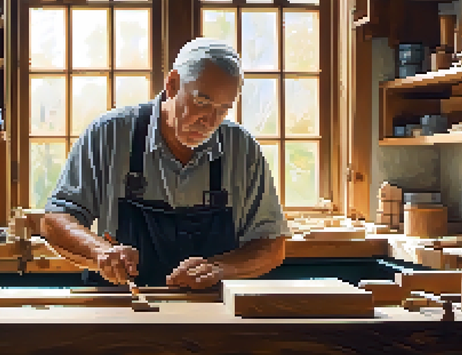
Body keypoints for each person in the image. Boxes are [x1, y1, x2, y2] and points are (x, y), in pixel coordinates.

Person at [41, 37, 290, 289]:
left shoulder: (242, 150)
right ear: (172, 84)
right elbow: (55, 220)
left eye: (223, 109)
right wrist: (100, 252)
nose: (210, 121)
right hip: (123, 312)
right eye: (202, 102)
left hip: (209, 315)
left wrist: (220, 268)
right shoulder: (109, 134)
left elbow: (271, 244)